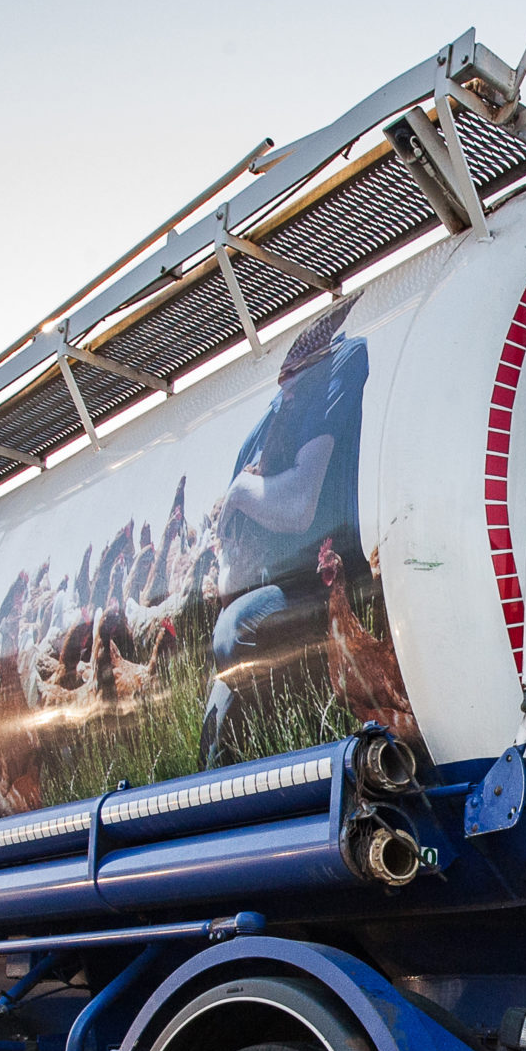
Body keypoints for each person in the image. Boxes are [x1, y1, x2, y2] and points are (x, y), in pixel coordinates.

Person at [200, 300, 371, 766]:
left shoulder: (336, 375)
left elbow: (297, 507)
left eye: (293, 377)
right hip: (273, 582)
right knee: (228, 644)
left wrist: (240, 493)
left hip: (322, 580)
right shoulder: (265, 426)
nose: (287, 389)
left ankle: (307, 741)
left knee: (234, 631)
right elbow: (229, 568)